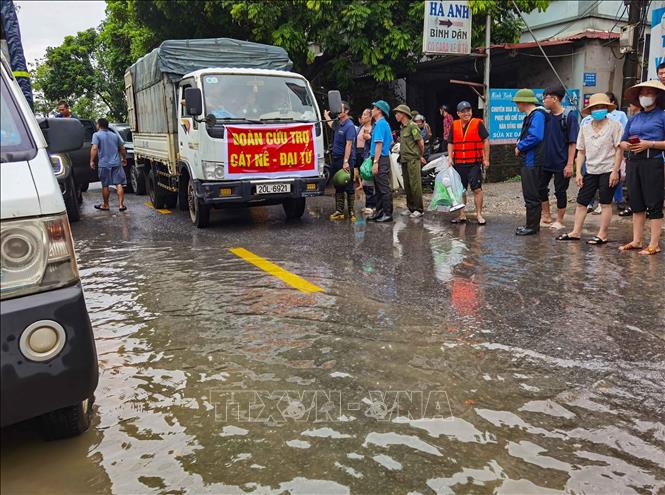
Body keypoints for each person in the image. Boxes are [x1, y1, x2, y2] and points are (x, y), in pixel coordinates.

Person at [556, 93, 623, 245]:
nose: (598, 110)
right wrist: (578, 171)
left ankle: (602, 234)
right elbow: (581, 151)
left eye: (602, 107)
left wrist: (615, 170)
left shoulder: (615, 126)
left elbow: (619, 149)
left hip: (608, 168)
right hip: (590, 170)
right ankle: (576, 231)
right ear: (591, 110)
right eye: (595, 107)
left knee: (605, 202)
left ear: (607, 109)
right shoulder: (585, 128)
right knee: (582, 202)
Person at [618, 80, 665, 255]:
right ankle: (637, 240)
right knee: (636, 203)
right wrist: (627, 146)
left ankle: (654, 243)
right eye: (642, 93)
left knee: (653, 203)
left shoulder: (662, 116)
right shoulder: (634, 118)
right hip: (633, 162)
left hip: (652, 162)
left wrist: (649, 143)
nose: (645, 96)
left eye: (649, 93)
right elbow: (622, 141)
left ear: (656, 96)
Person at [539, 86, 579, 229]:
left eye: (546, 97)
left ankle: (560, 220)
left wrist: (569, 164)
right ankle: (546, 215)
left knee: (560, 191)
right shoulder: (545, 116)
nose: (543, 100)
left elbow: (572, 143)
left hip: (561, 162)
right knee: (540, 187)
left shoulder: (569, 117)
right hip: (545, 160)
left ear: (555, 99)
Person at [448, 101, 490, 225]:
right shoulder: (454, 125)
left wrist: (486, 159)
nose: (467, 113)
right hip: (459, 163)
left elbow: (486, 141)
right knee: (460, 190)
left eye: (469, 110)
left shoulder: (478, 123)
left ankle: (479, 215)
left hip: (474, 163)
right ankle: (462, 215)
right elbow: (450, 142)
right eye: (463, 111)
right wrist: (450, 157)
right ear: (458, 113)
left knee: (477, 189)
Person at [513, 88, 549, 236]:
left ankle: (532, 227)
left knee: (531, 195)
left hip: (532, 161)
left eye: (517, 103)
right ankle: (531, 225)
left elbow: (536, 136)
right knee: (531, 194)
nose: (517, 106)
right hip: (529, 160)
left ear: (524, 102)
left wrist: (520, 146)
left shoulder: (537, 115)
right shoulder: (532, 116)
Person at [325, 101, 356, 221]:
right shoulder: (339, 123)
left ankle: (352, 212)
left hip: (346, 160)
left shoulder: (350, 126)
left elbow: (349, 145)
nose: (338, 111)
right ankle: (339, 211)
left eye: (341, 109)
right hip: (336, 159)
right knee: (338, 184)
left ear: (346, 111)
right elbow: (331, 125)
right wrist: (326, 116)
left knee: (348, 184)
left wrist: (346, 161)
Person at [393, 104, 426, 218]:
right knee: (407, 185)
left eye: (398, 113)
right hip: (404, 159)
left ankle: (419, 209)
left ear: (403, 114)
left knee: (415, 184)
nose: (396, 115)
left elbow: (420, 143)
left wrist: (420, 155)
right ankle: (411, 208)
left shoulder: (413, 126)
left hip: (413, 159)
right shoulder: (402, 128)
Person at [90, 118, 128, 211]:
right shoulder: (114, 135)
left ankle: (106, 205)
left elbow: (94, 148)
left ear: (99, 125)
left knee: (105, 185)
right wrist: (123, 158)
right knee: (119, 183)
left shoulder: (96, 135)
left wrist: (91, 160)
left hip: (104, 164)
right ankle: (121, 205)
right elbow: (122, 148)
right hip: (116, 163)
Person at [368, 100, 394, 223]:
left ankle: (388, 213)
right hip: (382, 158)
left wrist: (375, 162)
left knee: (383, 188)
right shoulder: (384, 124)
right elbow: (391, 142)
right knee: (378, 187)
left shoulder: (380, 124)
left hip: (380, 159)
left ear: (379, 110)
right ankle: (379, 212)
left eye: (374, 108)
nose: (372, 110)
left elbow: (379, 144)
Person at [355, 108, 375, 214]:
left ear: (370, 117)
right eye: (362, 114)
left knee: (368, 179)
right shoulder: (360, 127)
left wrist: (369, 137)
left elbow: (376, 142)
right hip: (358, 154)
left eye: (364, 115)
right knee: (363, 179)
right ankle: (368, 204)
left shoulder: (373, 128)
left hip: (367, 154)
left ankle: (371, 204)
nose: (362, 117)